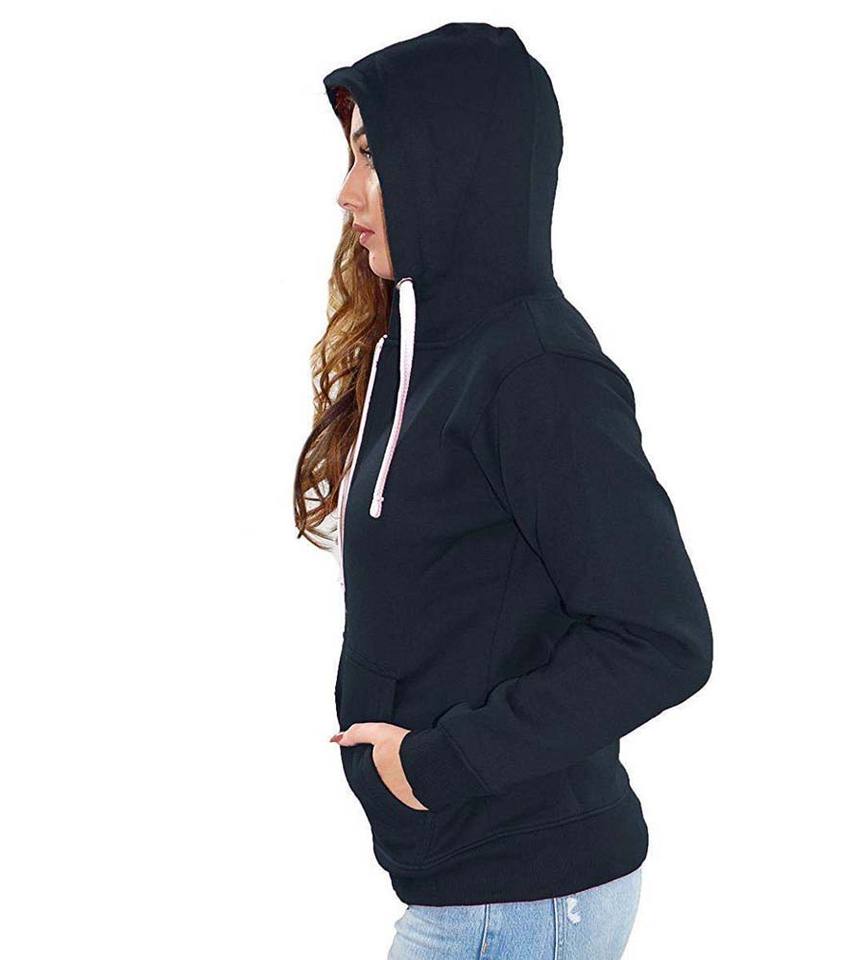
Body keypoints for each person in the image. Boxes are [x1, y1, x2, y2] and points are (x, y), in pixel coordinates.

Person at [294, 22, 713, 960]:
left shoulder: (538, 373)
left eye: (373, 157)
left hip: (522, 895)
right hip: (471, 884)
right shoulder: (417, 351)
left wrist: (437, 764)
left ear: (453, 162)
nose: (347, 192)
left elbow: (661, 639)